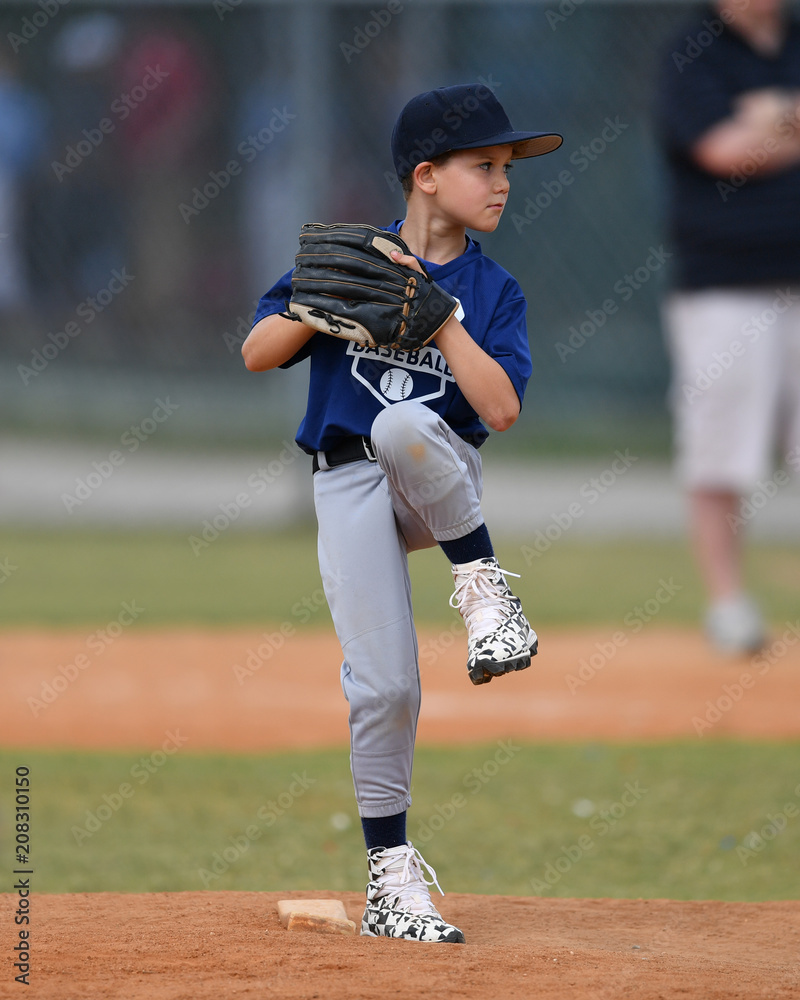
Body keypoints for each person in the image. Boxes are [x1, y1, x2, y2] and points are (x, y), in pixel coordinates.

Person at [242, 84, 561, 943]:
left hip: (437, 482)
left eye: (507, 168)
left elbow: (500, 411)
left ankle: (484, 590)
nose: (503, 183)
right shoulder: (358, 259)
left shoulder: (492, 290)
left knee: (405, 424)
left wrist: (443, 318)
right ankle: (391, 881)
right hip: (346, 483)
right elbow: (256, 353)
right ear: (426, 175)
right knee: (384, 686)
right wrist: (320, 308)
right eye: (484, 165)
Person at [656, 0, 800, 655]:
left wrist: (770, 115)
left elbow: (751, 137)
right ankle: (729, 604)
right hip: (723, 284)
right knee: (720, 449)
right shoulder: (694, 53)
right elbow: (723, 150)